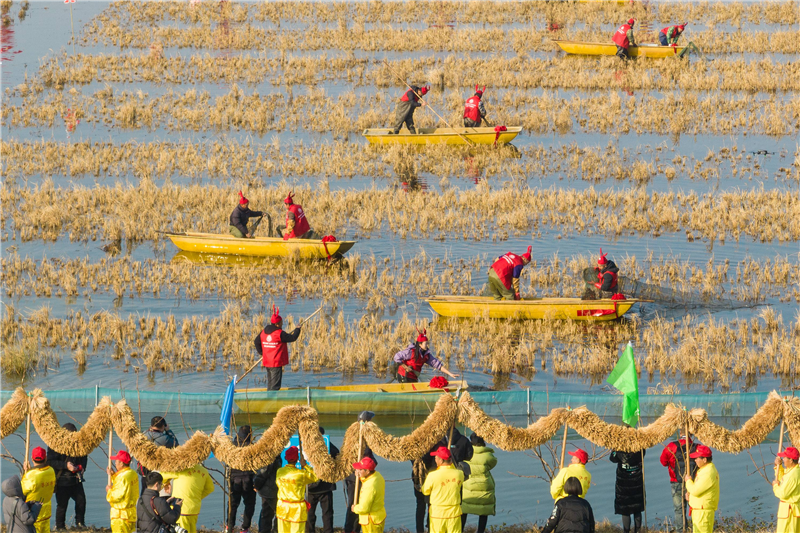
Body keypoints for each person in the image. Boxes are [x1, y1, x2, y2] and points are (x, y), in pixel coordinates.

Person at [46, 423, 87, 530]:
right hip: (62, 480)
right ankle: (60, 527)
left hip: (76, 479)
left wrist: (83, 468)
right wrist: (66, 466)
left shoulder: (79, 444)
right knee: (62, 505)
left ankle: (80, 524)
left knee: (81, 501)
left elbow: (84, 455)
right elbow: (50, 461)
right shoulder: (55, 444)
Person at [254, 305, 302, 390]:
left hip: (267, 362)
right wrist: (298, 329)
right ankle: (272, 401)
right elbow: (293, 338)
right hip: (275, 363)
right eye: (281, 323)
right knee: (275, 386)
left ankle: (269, 397)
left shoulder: (264, 331)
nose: (282, 324)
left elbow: (256, 342)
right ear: (277, 324)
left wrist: (262, 353)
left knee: (271, 383)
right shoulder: (279, 333)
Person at [161, 463, 215, 533]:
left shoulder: (181, 470)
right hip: (194, 508)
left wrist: (166, 482)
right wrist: (197, 497)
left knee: (182, 530)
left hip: (180, 508)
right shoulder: (203, 471)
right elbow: (210, 488)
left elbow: (161, 476)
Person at [421, 446, 464, 533]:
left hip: (437, 513)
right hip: (454, 513)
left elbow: (425, 491)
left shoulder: (432, 475)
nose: (435, 459)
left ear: (441, 460)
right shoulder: (459, 474)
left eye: (436, 457)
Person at [660, 434, 697, 532]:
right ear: (691, 434)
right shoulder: (696, 447)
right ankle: (696, 529)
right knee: (694, 508)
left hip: (676, 482)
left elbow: (663, 462)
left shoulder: (671, 446)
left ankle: (681, 530)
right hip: (693, 482)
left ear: (680, 434)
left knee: (679, 510)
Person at [276, 446, 318, 533]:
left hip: (283, 506)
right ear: (297, 459)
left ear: (286, 458)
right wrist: (305, 466)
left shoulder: (279, 471)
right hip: (297, 509)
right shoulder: (301, 474)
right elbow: (316, 477)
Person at [392, 329, 459, 383]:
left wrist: (450, 374)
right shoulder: (411, 352)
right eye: (425, 344)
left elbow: (437, 365)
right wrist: (405, 367)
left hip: (414, 376)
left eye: (427, 344)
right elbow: (396, 357)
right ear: (420, 345)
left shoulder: (426, 355)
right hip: (403, 375)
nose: (427, 346)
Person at [461, 433, 497, 533]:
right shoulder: (488, 455)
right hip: (484, 486)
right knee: (483, 511)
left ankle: (460, 530)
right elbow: (493, 463)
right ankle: (480, 531)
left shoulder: (466, 453)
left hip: (468, 485)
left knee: (464, 510)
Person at [306, 428, 339, 533]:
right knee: (324, 514)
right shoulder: (328, 446)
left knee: (313, 514)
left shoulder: (306, 446)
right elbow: (336, 454)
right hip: (320, 487)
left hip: (317, 487)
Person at [137, 416, 180, 493]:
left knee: (144, 491)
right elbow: (176, 444)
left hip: (144, 468)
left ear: (151, 425)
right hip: (157, 470)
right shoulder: (165, 438)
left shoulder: (142, 436)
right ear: (163, 426)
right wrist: (168, 430)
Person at [228, 426, 257, 533]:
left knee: (233, 504)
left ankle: (229, 526)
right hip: (248, 480)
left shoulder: (231, 447)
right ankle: (245, 528)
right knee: (249, 504)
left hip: (234, 479)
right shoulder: (252, 447)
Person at [684, 446, 719, 533]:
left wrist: (688, 481)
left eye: (697, 458)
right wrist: (690, 496)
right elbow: (698, 490)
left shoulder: (708, 472)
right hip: (700, 510)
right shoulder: (705, 470)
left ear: (704, 460)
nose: (695, 460)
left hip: (703, 512)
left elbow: (696, 490)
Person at [21, 447, 56, 533]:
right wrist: (30, 470)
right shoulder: (51, 471)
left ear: (32, 459)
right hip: (46, 511)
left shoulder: (30, 475)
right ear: (46, 458)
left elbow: (22, 491)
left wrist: (26, 472)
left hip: (33, 512)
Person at [610, 449, 646, 533]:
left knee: (625, 509)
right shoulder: (639, 450)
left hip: (623, 485)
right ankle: (637, 530)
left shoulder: (619, 451)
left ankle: (626, 531)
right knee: (637, 508)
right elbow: (643, 454)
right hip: (637, 482)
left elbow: (612, 458)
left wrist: (614, 449)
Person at [106, 450, 139, 533]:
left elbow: (118, 495)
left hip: (120, 515)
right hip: (131, 513)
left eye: (117, 461)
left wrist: (109, 491)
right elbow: (125, 487)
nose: (115, 463)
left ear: (121, 463)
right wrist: (113, 475)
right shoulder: (132, 473)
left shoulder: (122, 477)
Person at [351, 456, 386, 533]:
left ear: (367, 471)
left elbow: (364, 508)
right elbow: (367, 480)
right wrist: (360, 476)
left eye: (360, 469)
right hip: (378, 516)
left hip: (370, 520)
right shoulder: (377, 475)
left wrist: (355, 509)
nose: (357, 470)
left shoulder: (369, 486)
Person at [345, 449, 376, 533]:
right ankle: (350, 529)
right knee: (353, 504)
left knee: (359, 504)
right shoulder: (350, 446)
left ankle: (355, 529)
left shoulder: (365, 447)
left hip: (361, 480)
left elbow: (374, 462)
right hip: (353, 480)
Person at [772, 447, 800, 533]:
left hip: (789, 512)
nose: (783, 459)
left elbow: (783, 493)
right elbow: (783, 478)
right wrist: (778, 466)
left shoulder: (793, 475)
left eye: (784, 458)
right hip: (788, 511)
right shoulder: (792, 471)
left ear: (791, 460)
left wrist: (775, 486)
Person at [254, 456, 283, 533]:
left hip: (268, 490)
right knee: (277, 513)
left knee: (266, 514)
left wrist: (256, 485)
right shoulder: (276, 456)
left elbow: (263, 473)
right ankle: (275, 530)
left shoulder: (269, 456)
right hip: (274, 489)